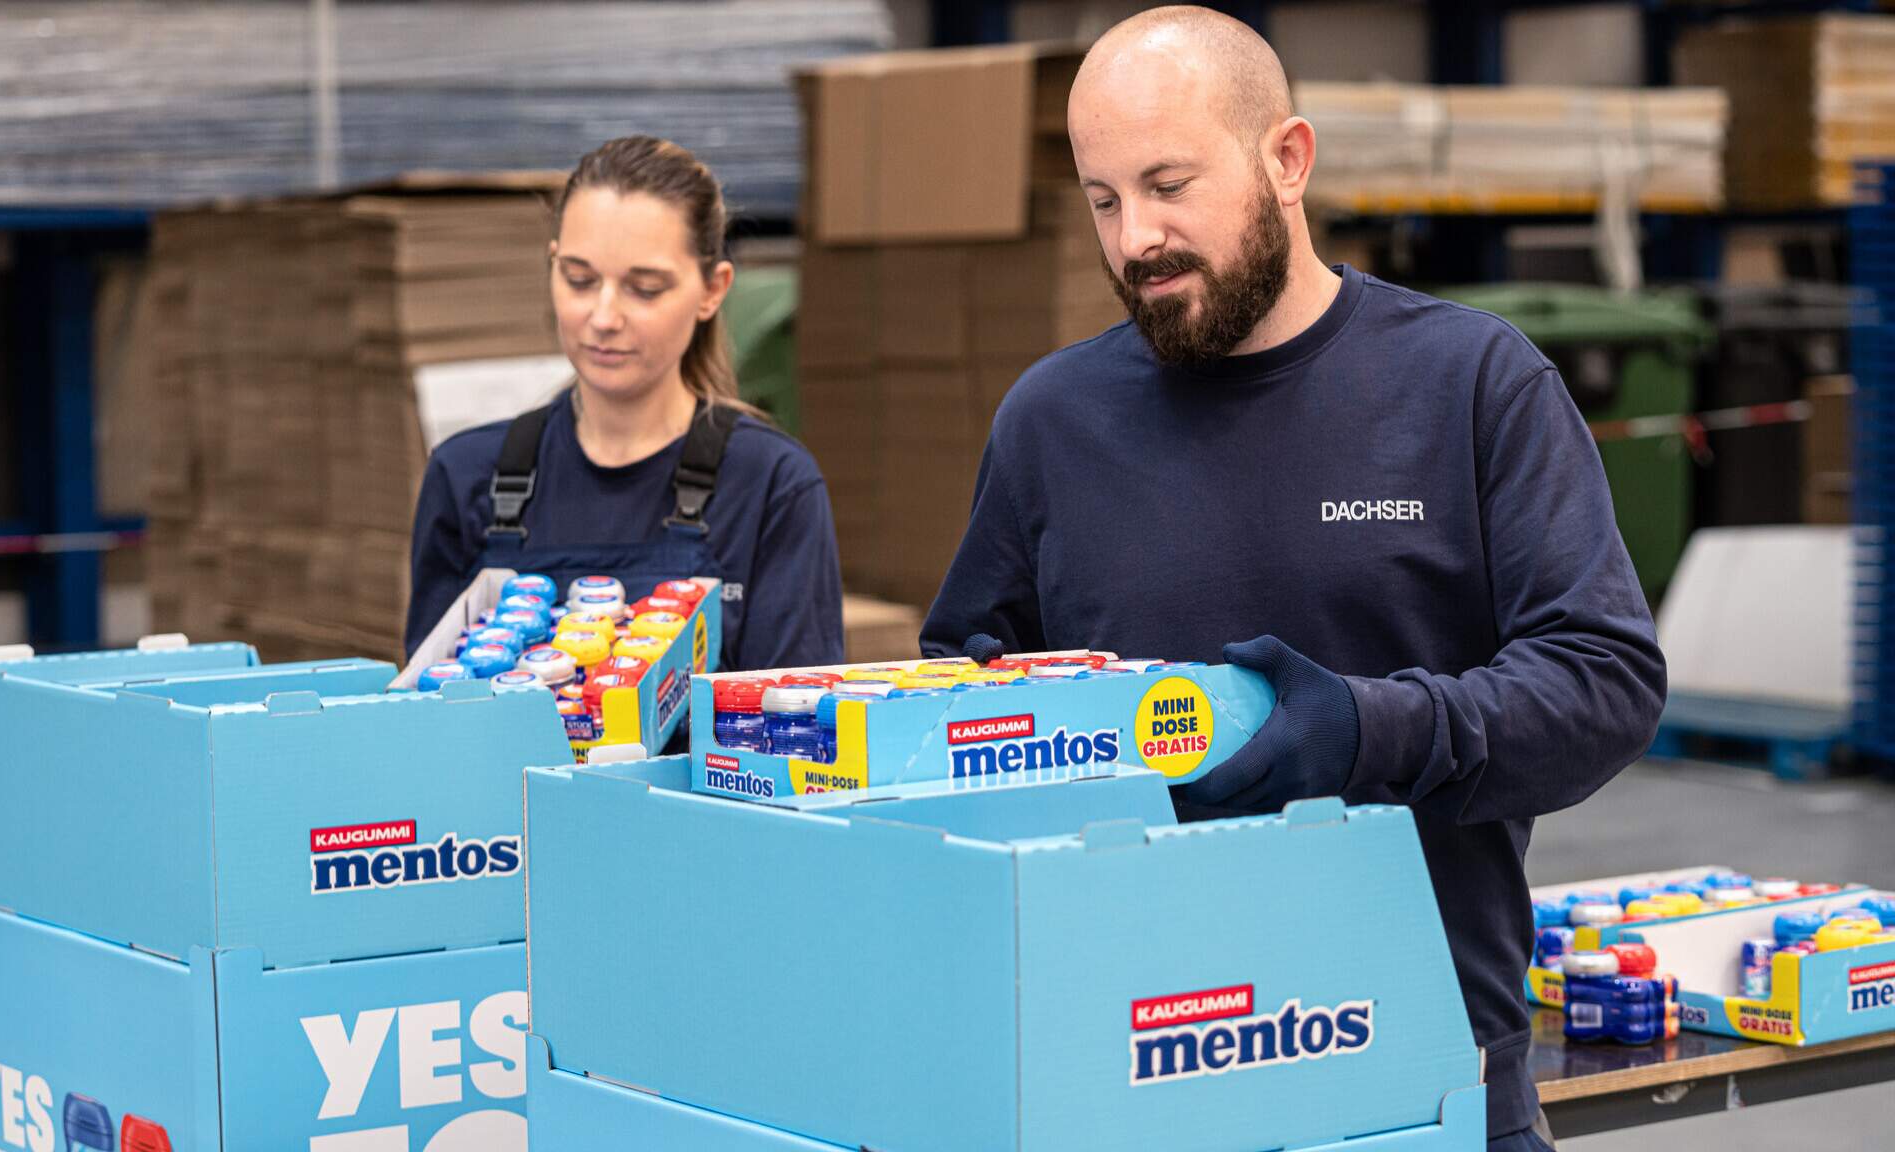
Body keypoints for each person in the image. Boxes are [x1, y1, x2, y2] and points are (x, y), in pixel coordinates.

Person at [919, 10, 1664, 1150]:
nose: (1136, 241)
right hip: (1120, 1063)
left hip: (1416, 1066)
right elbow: (958, 689)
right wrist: (997, 728)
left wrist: (1369, 730)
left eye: (1169, 184)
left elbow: (1602, 683)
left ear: (1286, 160)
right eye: (1103, 199)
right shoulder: (1050, 423)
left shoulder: (1468, 385)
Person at [408, 135, 844, 672]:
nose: (605, 316)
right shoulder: (466, 475)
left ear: (713, 289)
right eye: (580, 279)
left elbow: (792, 727)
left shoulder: (770, 485)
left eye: (645, 287)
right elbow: (429, 718)